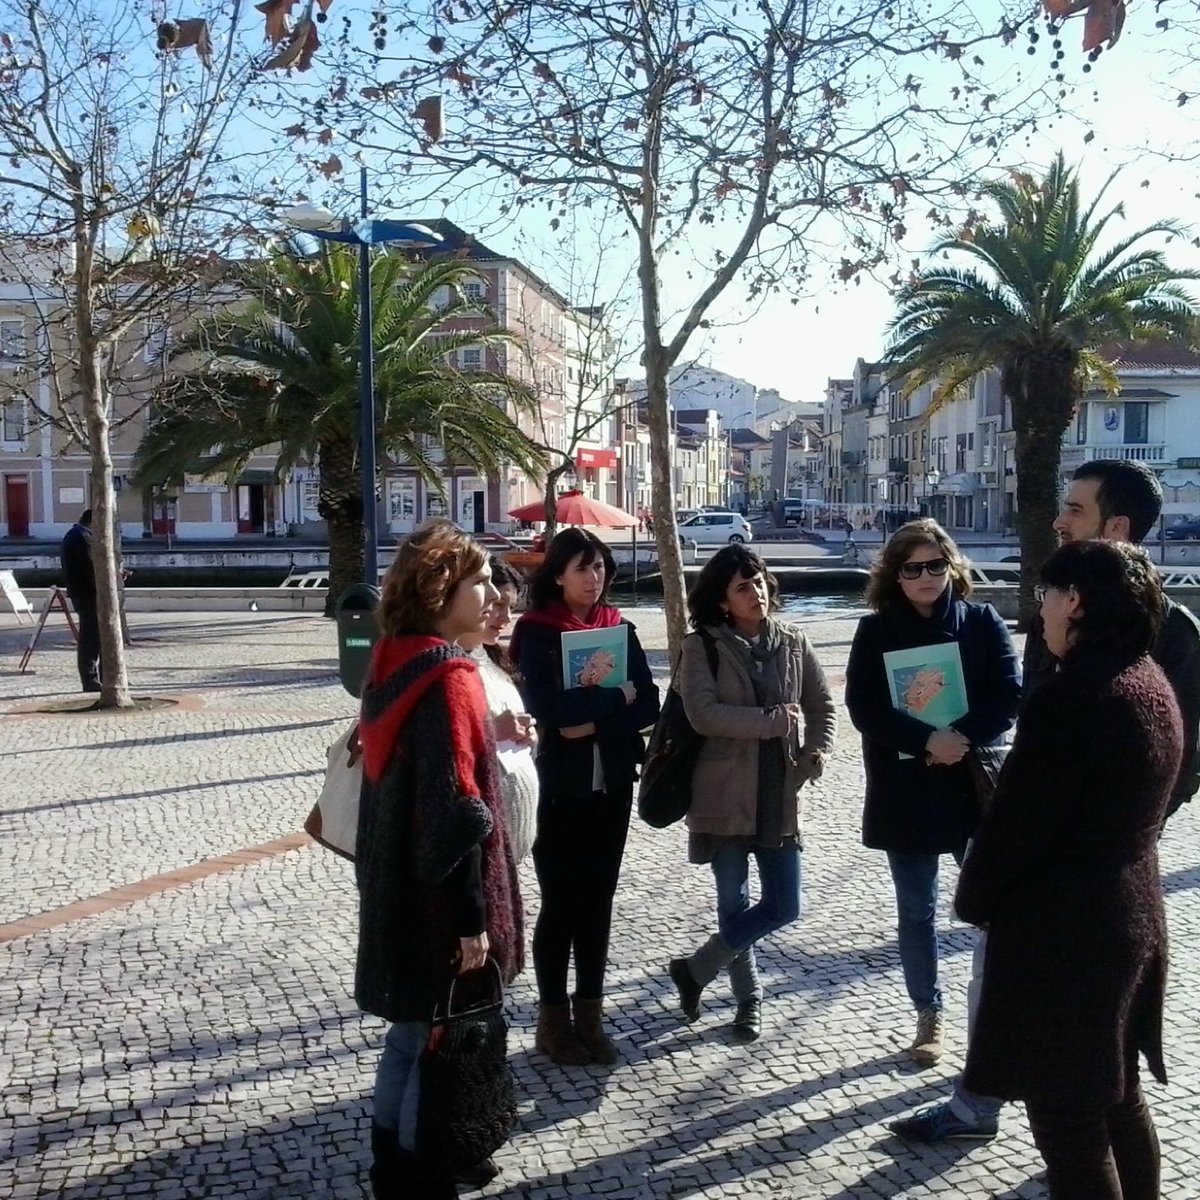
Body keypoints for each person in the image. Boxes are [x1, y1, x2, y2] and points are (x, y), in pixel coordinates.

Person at [892, 459, 1200, 1143]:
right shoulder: (1066, 610)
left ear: (1116, 529)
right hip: (1047, 869)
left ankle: (1008, 1111)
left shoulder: (1163, 636)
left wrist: (1110, 836)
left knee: (1081, 1100)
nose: (1058, 521)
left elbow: (1172, 765)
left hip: (1087, 886)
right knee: (1010, 1001)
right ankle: (979, 1102)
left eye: (1075, 510)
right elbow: (1032, 719)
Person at [954, 540, 1182, 1200]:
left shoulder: (1074, 698)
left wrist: (976, 898)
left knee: (1069, 1120)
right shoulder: (1150, 681)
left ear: (1075, 601)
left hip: (1067, 939)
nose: (1040, 612)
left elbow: (1016, 828)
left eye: (1047, 597)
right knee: (1116, 1094)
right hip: (1131, 914)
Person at [354, 521, 523, 1199]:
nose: (492, 594)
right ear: (437, 589)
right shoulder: (451, 676)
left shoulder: (394, 661)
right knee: (437, 1044)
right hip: (438, 899)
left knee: (408, 1035)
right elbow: (453, 809)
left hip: (396, 884)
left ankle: (390, 1165)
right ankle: (424, 1179)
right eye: (477, 581)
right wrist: (470, 919)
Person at [845, 519, 1021, 1067]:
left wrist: (959, 738)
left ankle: (995, 1014)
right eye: (913, 568)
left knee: (992, 905)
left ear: (952, 566)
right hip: (908, 790)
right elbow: (864, 708)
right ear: (894, 576)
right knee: (916, 911)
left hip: (974, 784)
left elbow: (1010, 693)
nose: (926, 577)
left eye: (935, 565)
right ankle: (929, 1014)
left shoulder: (982, 620)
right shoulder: (875, 632)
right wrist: (928, 740)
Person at [666, 545, 837, 1042]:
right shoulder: (702, 648)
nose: (756, 592)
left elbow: (821, 703)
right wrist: (769, 724)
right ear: (722, 600)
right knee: (733, 904)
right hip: (721, 795)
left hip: (778, 792)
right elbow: (703, 713)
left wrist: (816, 752)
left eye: (759, 581)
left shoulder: (792, 640)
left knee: (785, 903)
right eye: (742, 586)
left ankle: (696, 969)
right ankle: (750, 1002)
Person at [510, 528, 660, 1066]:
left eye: (599, 567)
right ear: (557, 575)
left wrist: (592, 715)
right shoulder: (537, 634)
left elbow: (648, 706)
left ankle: (590, 1018)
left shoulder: (620, 628)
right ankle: (552, 1022)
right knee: (562, 903)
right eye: (581, 568)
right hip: (559, 787)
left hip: (613, 785)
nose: (593, 577)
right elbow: (549, 711)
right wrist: (609, 700)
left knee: (598, 904)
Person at [457, 558, 539, 864]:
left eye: (512, 607)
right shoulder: (450, 668)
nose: (505, 617)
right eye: (498, 604)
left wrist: (528, 736)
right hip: (475, 848)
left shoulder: (493, 660)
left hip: (505, 849)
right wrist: (492, 731)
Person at [60, 508, 100, 693]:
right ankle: (91, 680)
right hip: (88, 595)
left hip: (81, 593)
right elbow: (90, 569)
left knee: (93, 637)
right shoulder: (83, 538)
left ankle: (99, 677)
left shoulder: (74, 534)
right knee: (91, 638)